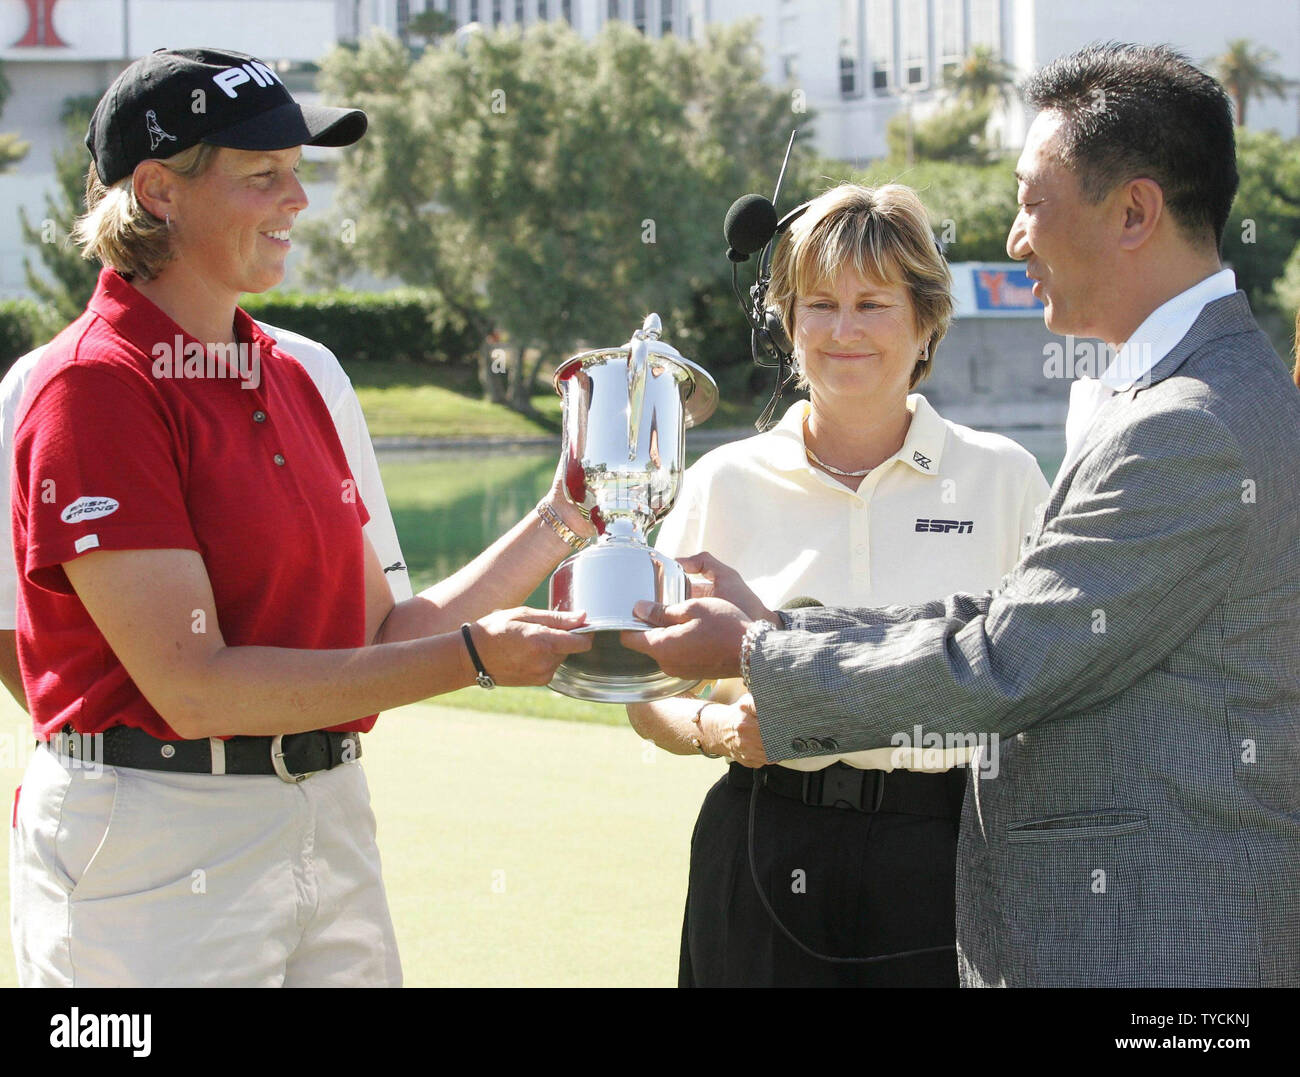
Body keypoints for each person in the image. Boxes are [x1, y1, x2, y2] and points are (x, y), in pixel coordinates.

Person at [624, 43, 1300, 987]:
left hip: (1162, 950)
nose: (1017, 237)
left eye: (1032, 199)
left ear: (1136, 210)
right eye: (818, 304)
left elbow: (1001, 659)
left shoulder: (1189, 422)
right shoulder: (1193, 393)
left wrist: (756, 647)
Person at [8, 47, 594, 988]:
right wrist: (478, 658)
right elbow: (191, 687)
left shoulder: (290, 373)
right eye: (263, 175)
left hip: (327, 813)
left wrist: (564, 518)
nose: (299, 200)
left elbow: (379, 631)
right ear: (158, 190)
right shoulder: (93, 388)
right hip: (154, 842)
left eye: (299, 172)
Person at [625, 184, 1048, 987]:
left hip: (949, 848)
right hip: (760, 841)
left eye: (873, 304)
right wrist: (718, 729)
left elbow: (1039, 682)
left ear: (926, 321)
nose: (843, 330)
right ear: (787, 323)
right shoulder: (723, 482)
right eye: (818, 304)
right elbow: (647, 695)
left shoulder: (1004, 478)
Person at [0, 326, 413, 712]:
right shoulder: (53, 377)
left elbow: (377, 630)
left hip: (323, 781)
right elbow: (9, 628)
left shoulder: (310, 367)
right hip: (134, 783)